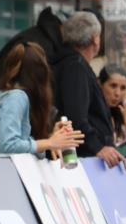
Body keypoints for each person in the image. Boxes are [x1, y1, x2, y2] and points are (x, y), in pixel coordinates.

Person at [0, 41, 84, 156]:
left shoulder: (2, 92)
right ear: (40, 73)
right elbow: (10, 145)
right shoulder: (15, 97)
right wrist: (49, 142)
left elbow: (17, 143)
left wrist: (52, 139)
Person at [51, 11, 121, 165]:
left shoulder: (68, 63)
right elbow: (76, 116)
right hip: (83, 160)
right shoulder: (75, 67)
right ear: (95, 39)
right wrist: (98, 147)